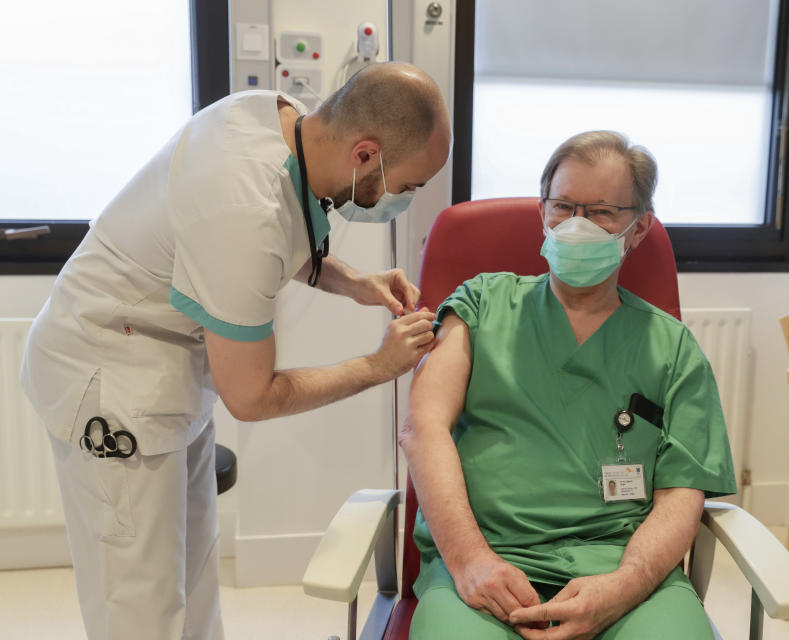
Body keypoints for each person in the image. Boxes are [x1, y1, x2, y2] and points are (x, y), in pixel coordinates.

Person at [19, 62, 450, 640]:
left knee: (194, 584)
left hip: (167, 370)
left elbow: (281, 229)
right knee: (139, 609)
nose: (405, 199)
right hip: (108, 380)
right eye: (409, 186)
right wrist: (379, 366)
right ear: (366, 156)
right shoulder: (241, 206)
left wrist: (352, 282)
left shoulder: (273, 118)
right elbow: (251, 396)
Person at [400, 131, 737, 639]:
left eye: (602, 211)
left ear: (639, 227)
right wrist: (471, 562)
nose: (577, 224)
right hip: (485, 566)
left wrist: (625, 584)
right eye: (563, 206)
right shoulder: (480, 306)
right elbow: (423, 428)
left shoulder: (673, 350)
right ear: (543, 212)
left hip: (624, 574)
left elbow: (680, 496)